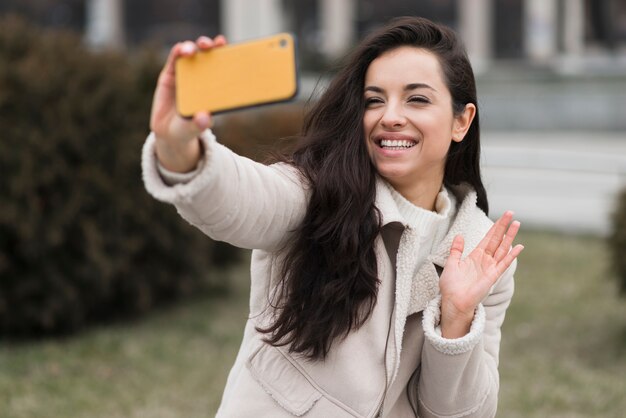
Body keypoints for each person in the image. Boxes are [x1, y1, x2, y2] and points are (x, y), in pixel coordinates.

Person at [142, 16, 523, 418]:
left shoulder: (483, 254)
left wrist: (456, 318)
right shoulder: (316, 192)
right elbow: (241, 197)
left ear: (461, 121)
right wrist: (179, 147)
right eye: (374, 99)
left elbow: (463, 413)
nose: (389, 116)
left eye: (416, 99)